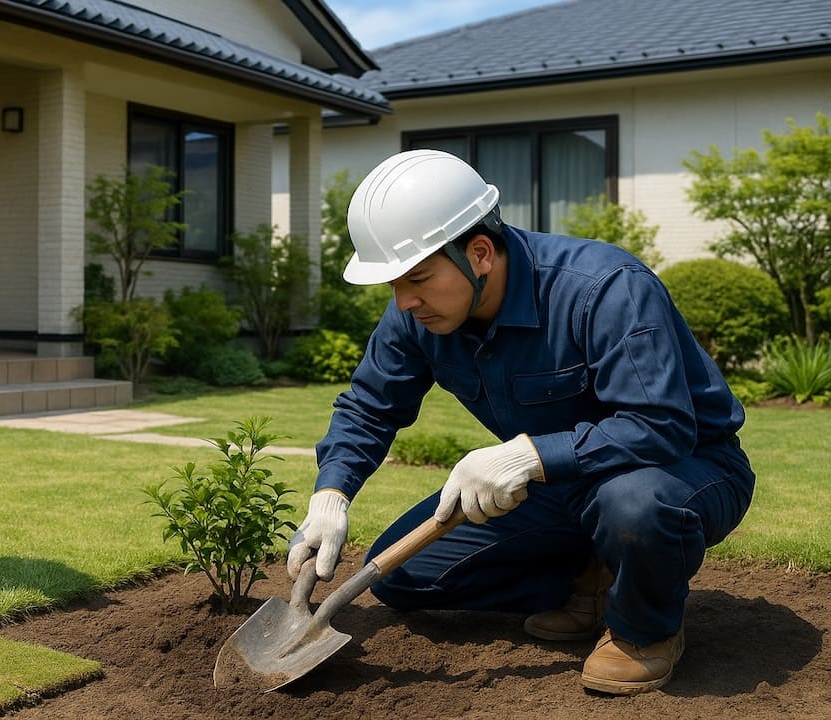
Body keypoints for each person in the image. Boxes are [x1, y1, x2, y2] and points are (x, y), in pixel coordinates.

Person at [286, 150, 754, 695]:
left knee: (632, 506)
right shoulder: (418, 316)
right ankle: (592, 578)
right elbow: (370, 406)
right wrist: (331, 495)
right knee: (407, 576)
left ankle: (643, 630)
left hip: (685, 467)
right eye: (393, 283)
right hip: (561, 483)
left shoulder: (605, 289)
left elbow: (662, 425)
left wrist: (527, 455)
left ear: (479, 253)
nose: (404, 300)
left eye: (416, 278)